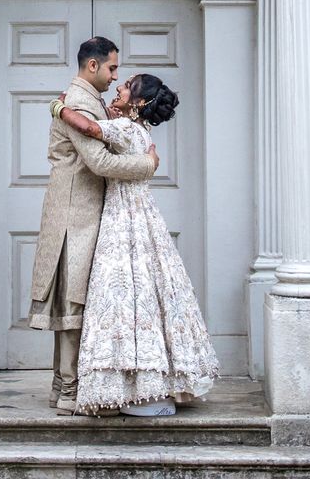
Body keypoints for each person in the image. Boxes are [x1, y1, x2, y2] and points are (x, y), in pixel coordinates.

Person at [53, 71, 219, 416]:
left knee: (121, 292)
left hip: (123, 215)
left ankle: (127, 385)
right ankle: (147, 381)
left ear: (139, 102)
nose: (118, 86)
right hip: (142, 212)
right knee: (147, 289)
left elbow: (90, 129)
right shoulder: (142, 133)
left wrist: (59, 108)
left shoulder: (128, 129)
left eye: (127, 86)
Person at [27, 36, 159, 414]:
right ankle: (69, 394)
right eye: (112, 68)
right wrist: (147, 166)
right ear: (92, 66)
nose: (115, 75)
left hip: (85, 211)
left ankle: (62, 387)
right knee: (73, 304)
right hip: (75, 214)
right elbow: (99, 164)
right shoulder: (80, 102)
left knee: (78, 301)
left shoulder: (88, 102)